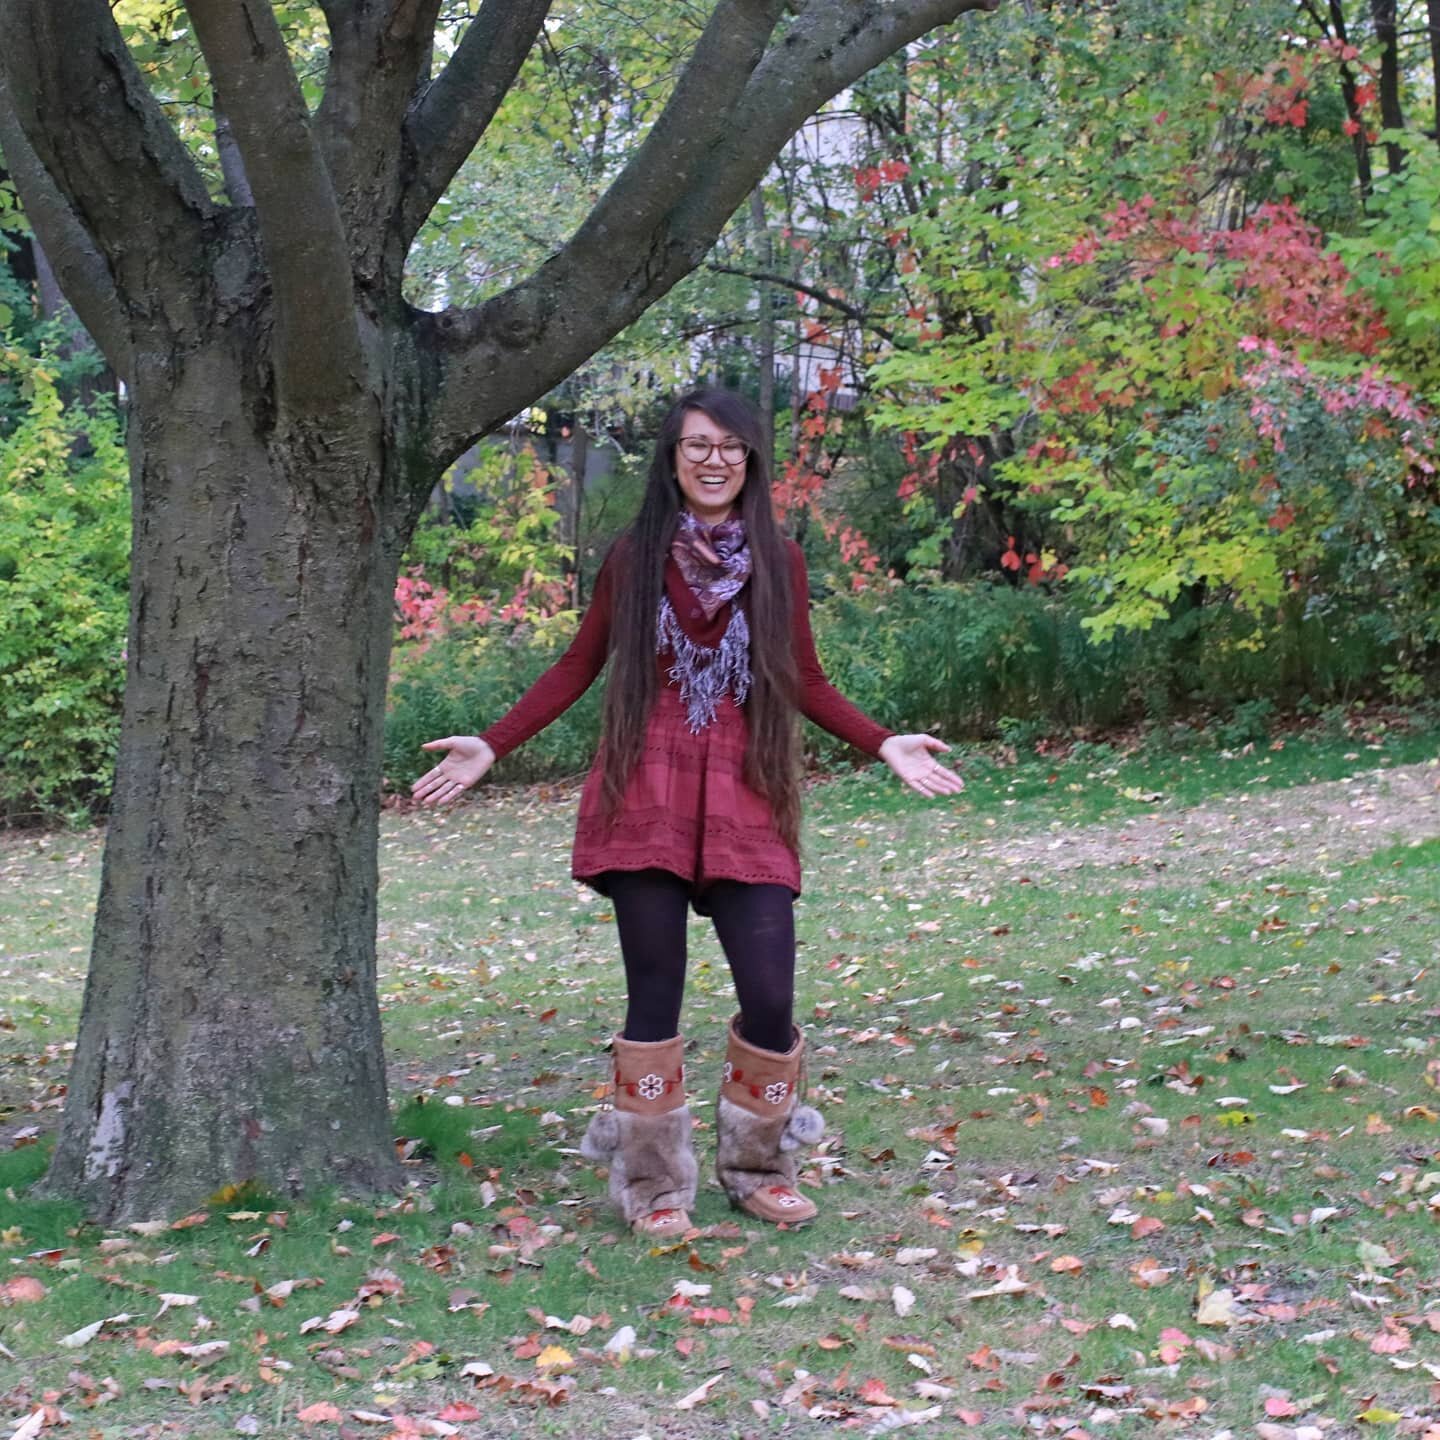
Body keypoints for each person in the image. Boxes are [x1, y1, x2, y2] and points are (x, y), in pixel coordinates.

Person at [413, 388, 964, 1236]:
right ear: (672, 459)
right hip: (648, 787)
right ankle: (653, 1185)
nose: (715, 460)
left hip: (745, 786)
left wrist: (881, 741)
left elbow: (803, 677)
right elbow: (577, 664)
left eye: (731, 446)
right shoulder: (634, 557)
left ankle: (760, 1166)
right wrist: (494, 743)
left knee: (771, 995)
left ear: (752, 460)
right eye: (697, 445)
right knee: (655, 994)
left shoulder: (779, 559)